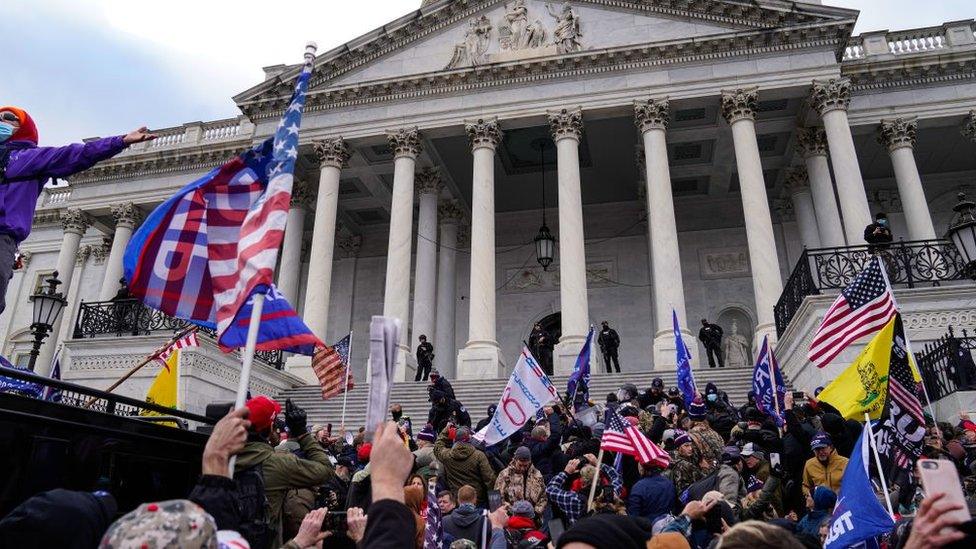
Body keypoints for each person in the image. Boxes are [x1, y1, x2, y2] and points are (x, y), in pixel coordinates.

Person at [0, 107, 156, 313]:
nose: (0, 120)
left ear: (24, 128)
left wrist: (120, 141)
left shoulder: (27, 158)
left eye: (8, 118)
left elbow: (76, 153)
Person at [234, 396, 334, 548]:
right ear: (270, 428)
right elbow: (326, 470)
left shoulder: (219, 457)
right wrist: (302, 433)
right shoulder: (279, 463)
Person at [545, 453, 622, 525]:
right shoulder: (610, 494)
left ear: (582, 483)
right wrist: (598, 463)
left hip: (582, 535)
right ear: (598, 479)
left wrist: (566, 472)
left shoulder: (573, 499)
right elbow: (616, 477)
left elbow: (550, 489)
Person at [434, 425, 497, 506]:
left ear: (455, 439)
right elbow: (489, 479)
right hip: (477, 500)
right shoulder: (478, 455)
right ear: (469, 439)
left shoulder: (447, 456)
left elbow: (437, 447)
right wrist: (494, 503)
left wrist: (446, 430)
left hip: (458, 501)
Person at [494, 445, 547, 516]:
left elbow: (543, 497)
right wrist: (511, 511)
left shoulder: (537, 475)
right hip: (510, 518)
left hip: (532, 518)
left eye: (525, 466)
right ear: (515, 460)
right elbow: (496, 499)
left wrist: (536, 512)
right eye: (520, 465)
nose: (522, 468)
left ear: (530, 462)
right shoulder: (505, 475)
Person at [626, 460, 676, 525]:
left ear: (642, 468)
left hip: (646, 528)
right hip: (666, 525)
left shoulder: (638, 487)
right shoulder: (668, 483)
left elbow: (633, 516)